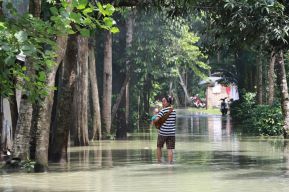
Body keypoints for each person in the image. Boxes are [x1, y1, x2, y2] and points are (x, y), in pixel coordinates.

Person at [153, 96, 176, 164]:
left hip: (163, 133)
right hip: (171, 132)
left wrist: (154, 114)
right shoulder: (174, 111)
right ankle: (170, 164)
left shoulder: (162, 111)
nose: (162, 103)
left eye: (164, 101)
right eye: (162, 101)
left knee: (159, 147)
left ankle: (159, 162)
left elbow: (156, 120)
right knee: (170, 149)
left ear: (168, 102)